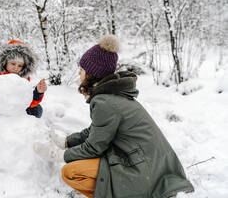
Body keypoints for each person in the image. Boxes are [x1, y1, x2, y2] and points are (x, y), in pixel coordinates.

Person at [47, 35, 194, 198]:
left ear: (91, 74)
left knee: (70, 171)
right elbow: (97, 131)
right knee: (79, 164)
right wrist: (67, 142)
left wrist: (59, 155)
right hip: (150, 164)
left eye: (82, 69)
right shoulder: (112, 95)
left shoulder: (104, 101)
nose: (79, 73)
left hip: (143, 169)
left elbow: (95, 147)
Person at [0, 39, 47, 128]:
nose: (16, 68)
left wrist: (38, 93)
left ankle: (24, 133)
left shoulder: (23, 78)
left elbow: (26, 102)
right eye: (13, 64)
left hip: (15, 110)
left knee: (36, 109)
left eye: (20, 66)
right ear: (5, 61)